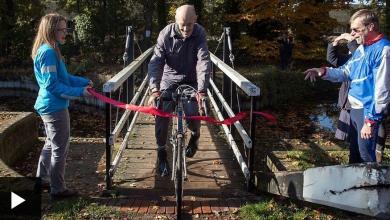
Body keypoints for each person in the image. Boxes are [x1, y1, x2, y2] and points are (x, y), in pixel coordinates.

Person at [305, 9, 390, 163]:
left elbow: (382, 91)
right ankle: (356, 186)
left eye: (356, 30)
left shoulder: (383, 50)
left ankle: (371, 186)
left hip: (367, 112)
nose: (352, 34)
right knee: (354, 154)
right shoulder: (362, 48)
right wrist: (323, 72)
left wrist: (370, 121)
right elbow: (345, 72)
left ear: (370, 27)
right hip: (355, 110)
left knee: (366, 157)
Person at [31, 13, 93, 199]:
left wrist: (83, 82)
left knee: (51, 144)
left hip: (49, 105)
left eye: (66, 29)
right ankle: (57, 189)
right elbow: (52, 85)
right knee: (60, 148)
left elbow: (63, 79)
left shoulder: (50, 49)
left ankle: (41, 180)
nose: (66, 33)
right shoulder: (49, 52)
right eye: (62, 29)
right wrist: (81, 92)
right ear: (51, 30)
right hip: (54, 107)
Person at [147, 5, 211, 176]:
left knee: (193, 113)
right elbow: (156, 62)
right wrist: (154, 90)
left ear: (195, 20)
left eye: (189, 24)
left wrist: (202, 90)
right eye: (182, 24)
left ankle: (195, 135)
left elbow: (203, 60)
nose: (185, 29)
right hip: (169, 80)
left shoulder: (199, 33)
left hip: (191, 79)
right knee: (161, 113)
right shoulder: (165, 34)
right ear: (175, 20)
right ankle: (162, 153)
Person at [327, 33, 387, 163]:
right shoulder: (351, 58)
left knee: (368, 146)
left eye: (356, 30)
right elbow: (333, 60)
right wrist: (335, 42)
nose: (352, 33)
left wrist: (352, 43)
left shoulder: (371, 53)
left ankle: (377, 153)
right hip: (352, 105)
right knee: (356, 147)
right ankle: (357, 170)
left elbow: (362, 60)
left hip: (370, 106)